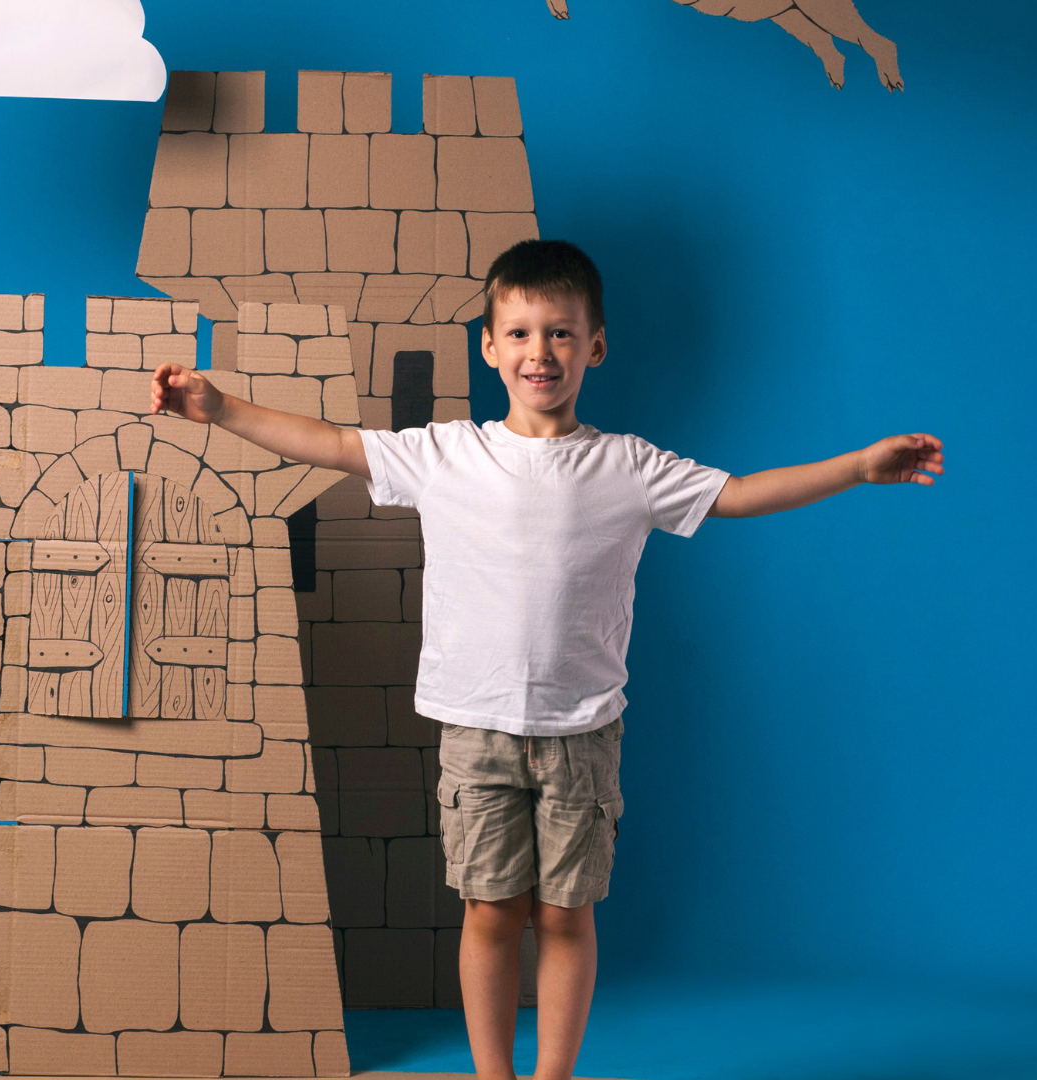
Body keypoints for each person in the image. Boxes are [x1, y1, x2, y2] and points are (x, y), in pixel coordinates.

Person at [150, 239, 943, 1080]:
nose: (541, 352)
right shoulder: (447, 453)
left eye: (561, 334)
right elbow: (333, 444)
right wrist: (221, 405)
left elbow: (740, 494)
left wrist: (857, 467)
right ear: (489, 347)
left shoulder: (629, 466)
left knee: (566, 917)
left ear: (595, 345)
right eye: (521, 333)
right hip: (477, 729)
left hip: (582, 735)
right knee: (491, 914)